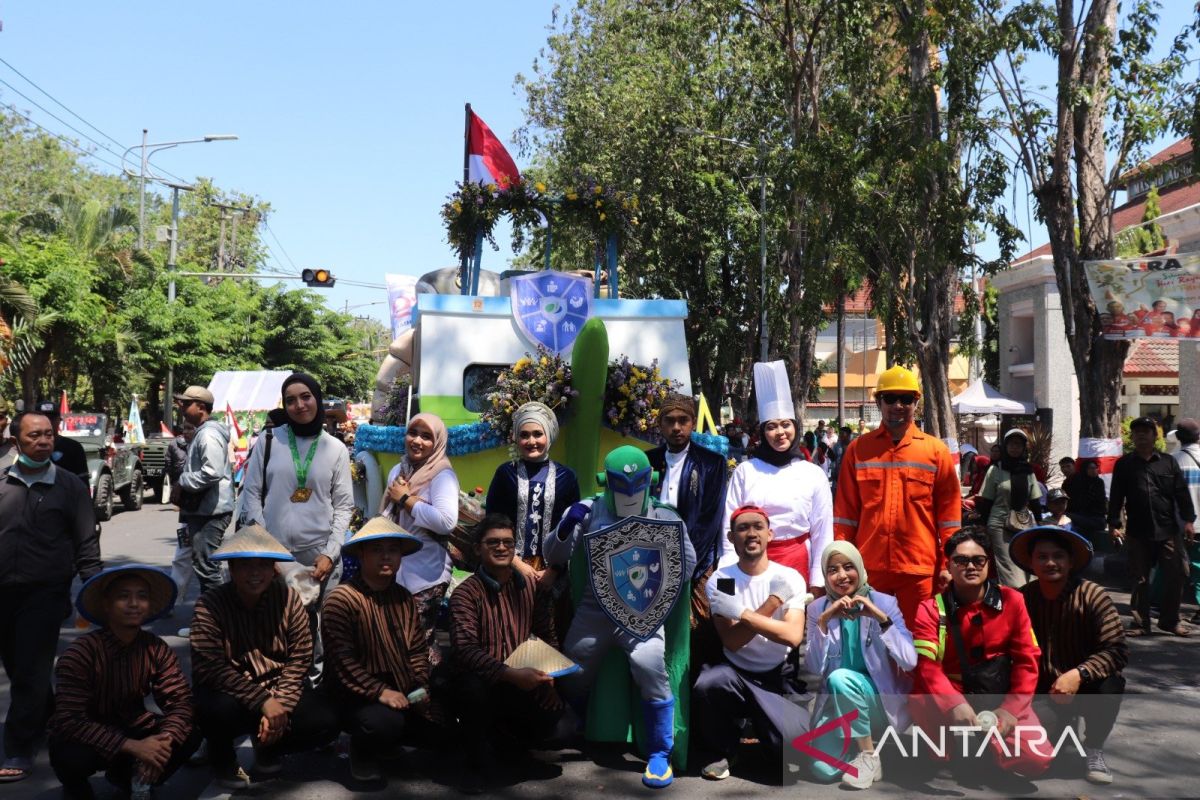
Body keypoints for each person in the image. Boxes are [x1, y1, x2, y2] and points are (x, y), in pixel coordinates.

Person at [545, 445, 696, 788]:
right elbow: (553, 554)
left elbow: (686, 568)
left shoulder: (666, 516)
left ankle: (660, 752)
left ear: (650, 481)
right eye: (620, 484)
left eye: (638, 483)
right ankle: (574, 725)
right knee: (574, 664)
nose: (630, 493)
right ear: (606, 482)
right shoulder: (588, 510)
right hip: (595, 608)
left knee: (649, 665)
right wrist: (568, 524)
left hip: (643, 612)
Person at [190, 525, 339, 788]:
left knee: (328, 718)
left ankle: (268, 746)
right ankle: (222, 757)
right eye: (246, 566)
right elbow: (210, 667)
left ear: (274, 569)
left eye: (263, 565)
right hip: (232, 692)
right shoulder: (210, 604)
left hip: (277, 686)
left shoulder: (289, 599)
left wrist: (279, 705)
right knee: (210, 707)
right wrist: (262, 701)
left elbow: (300, 657)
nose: (255, 573)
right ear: (232, 570)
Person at [0, 411, 101, 782]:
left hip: (44, 592)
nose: (43, 442)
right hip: (2, 592)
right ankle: (53, 715)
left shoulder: (70, 487)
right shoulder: (0, 480)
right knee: (15, 663)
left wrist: (96, 589)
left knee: (30, 667)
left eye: (48, 435)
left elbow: (86, 541)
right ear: (16, 442)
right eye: (34, 436)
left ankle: (18, 748)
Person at [238, 373, 355, 681]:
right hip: (275, 558)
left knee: (319, 632)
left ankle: (314, 695)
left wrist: (330, 554)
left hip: (320, 558)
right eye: (290, 399)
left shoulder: (335, 449)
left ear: (317, 397)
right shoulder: (268, 441)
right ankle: (278, 692)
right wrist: (268, 552)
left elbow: (344, 506)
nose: (299, 405)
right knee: (276, 629)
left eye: (306, 396)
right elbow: (251, 495)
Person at [909, 528, 1051, 782]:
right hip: (951, 697)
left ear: (989, 563)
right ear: (948, 565)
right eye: (961, 560)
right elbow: (927, 667)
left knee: (1037, 759)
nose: (970, 566)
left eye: (978, 560)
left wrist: (1010, 710)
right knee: (920, 695)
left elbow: (1027, 662)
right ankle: (950, 751)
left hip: (997, 694)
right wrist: (954, 704)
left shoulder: (1013, 601)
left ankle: (986, 751)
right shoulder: (930, 609)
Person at [49, 565, 199, 799]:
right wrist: (134, 746)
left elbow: (180, 702)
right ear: (106, 605)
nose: (134, 604)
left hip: (135, 724)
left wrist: (162, 743)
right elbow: (70, 719)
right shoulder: (81, 654)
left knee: (189, 730)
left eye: (142, 596)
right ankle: (75, 786)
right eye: (123, 596)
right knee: (68, 752)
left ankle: (130, 775)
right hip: (90, 733)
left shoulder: (155, 648)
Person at [833, 365, 961, 627]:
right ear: (879, 401)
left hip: (920, 571)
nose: (898, 405)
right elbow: (845, 515)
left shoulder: (935, 452)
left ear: (916, 402)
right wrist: (842, 562)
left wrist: (949, 563)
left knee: (918, 647)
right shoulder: (859, 450)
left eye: (906, 399)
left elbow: (949, 519)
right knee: (871, 647)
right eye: (890, 398)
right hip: (869, 570)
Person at [447, 513, 564, 793]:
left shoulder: (531, 588)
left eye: (508, 543)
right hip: (483, 681)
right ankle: (474, 760)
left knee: (562, 726)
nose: (501, 548)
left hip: (520, 676)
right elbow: (465, 650)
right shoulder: (465, 593)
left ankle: (512, 748)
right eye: (493, 543)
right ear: (478, 548)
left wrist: (551, 677)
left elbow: (546, 634)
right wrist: (509, 674)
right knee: (472, 690)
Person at [321, 516, 443, 782]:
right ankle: (361, 749)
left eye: (393, 550)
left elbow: (418, 650)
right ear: (362, 554)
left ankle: (389, 742)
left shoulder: (403, 597)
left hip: (400, 688)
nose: (386, 556)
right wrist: (380, 691)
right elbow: (343, 661)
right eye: (377, 549)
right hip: (353, 694)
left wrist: (420, 688)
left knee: (444, 730)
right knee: (384, 723)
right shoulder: (341, 599)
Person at [693, 506, 808, 783]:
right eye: (743, 528)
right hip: (736, 673)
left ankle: (766, 730)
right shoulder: (725, 579)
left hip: (778, 676)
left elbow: (792, 636)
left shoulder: (788, 577)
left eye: (758, 526)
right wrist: (772, 604)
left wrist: (743, 614)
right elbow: (732, 642)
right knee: (708, 683)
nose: (751, 533)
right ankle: (725, 749)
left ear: (770, 534)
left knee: (791, 749)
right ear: (731, 538)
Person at [1012, 526, 1127, 785]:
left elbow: (1116, 650)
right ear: (1031, 562)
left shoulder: (1092, 595)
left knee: (1112, 684)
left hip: (1086, 686)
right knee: (1029, 757)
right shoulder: (1022, 598)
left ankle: (1094, 748)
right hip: (1042, 691)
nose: (1050, 562)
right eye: (1042, 557)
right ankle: (1062, 726)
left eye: (1058, 556)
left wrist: (1078, 674)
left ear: (1070, 561)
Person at [805, 541, 917, 788]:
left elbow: (909, 661)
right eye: (833, 570)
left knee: (840, 678)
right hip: (838, 706)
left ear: (859, 567)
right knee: (822, 770)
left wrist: (880, 617)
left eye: (848, 567)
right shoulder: (817, 609)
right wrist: (824, 621)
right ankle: (858, 744)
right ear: (826, 575)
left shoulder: (885, 603)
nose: (842, 576)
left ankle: (867, 755)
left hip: (878, 701)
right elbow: (813, 667)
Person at [721, 361, 832, 589]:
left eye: (785, 425)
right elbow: (728, 529)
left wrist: (818, 583)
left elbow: (822, 531)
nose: (780, 432)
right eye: (771, 426)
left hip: (799, 562)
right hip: (750, 566)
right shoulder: (746, 471)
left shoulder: (813, 474)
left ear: (795, 427)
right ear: (762, 432)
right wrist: (729, 577)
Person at [646, 394, 728, 668]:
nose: (677, 427)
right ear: (660, 425)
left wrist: (681, 565)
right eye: (670, 421)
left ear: (693, 423)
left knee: (699, 630)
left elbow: (708, 520)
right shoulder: (648, 461)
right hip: (651, 560)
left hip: (698, 561)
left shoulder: (711, 463)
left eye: (683, 420)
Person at [379, 412, 459, 667]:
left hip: (427, 572)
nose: (417, 441)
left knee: (418, 640)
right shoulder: (399, 470)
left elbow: (446, 522)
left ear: (437, 443)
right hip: (396, 569)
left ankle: (427, 695)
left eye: (427, 436)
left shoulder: (442, 474)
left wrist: (405, 499)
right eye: (413, 433)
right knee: (395, 640)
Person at [1108, 416, 1196, 636]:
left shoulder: (1168, 462)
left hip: (1167, 529)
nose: (1141, 435)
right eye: (1137, 431)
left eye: (1146, 431)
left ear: (1154, 435)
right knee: (1140, 578)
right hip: (1138, 530)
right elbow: (1116, 496)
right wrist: (1113, 524)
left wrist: (1188, 520)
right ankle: (1140, 623)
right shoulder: (1124, 464)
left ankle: (1169, 621)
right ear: (1133, 436)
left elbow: (1181, 493)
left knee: (1177, 573)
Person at [484, 401, 580, 577]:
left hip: (553, 575)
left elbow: (572, 529)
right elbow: (492, 521)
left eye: (537, 434)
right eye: (524, 435)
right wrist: (517, 564)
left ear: (548, 436)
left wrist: (554, 571)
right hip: (508, 569)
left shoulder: (566, 476)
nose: (531, 441)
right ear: (516, 438)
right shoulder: (506, 473)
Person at [174, 386, 234, 594]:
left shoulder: (208, 434)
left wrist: (183, 481)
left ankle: (218, 619)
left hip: (210, 512)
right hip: (204, 510)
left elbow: (212, 472)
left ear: (201, 407)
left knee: (207, 568)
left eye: (186, 403)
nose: (181, 407)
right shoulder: (204, 432)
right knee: (207, 566)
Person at [976, 428, 1044, 588]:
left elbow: (1035, 499)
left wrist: (1040, 523)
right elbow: (986, 500)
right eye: (1012, 444)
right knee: (1009, 571)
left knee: (1028, 568)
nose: (1015, 448)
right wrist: (982, 524)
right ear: (1005, 447)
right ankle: (1013, 601)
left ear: (1023, 448)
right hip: (999, 525)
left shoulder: (1028, 471)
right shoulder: (995, 469)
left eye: (1019, 445)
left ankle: (1026, 602)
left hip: (1024, 525)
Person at [1171, 418, 1200, 624]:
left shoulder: (1172, 461)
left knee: (1178, 567)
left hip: (1181, 524)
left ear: (1178, 438)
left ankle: (1167, 608)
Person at [165, 423, 196, 603]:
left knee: (209, 563)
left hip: (205, 515)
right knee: (182, 557)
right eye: (184, 428)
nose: (186, 432)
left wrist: (182, 481)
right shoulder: (177, 445)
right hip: (188, 512)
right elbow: (170, 464)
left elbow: (209, 475)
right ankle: (172, 600)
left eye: (190, 428)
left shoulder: (206, 445)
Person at [34, 399, 89, 482]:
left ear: (59, 420)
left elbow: (83, 483)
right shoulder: (28, 447)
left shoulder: (74, 448)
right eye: (43, 418)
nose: (48, 422)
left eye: (52, 418)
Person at [1064, 459, 1108, 544]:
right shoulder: (1078, 483)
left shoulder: (1099, 482)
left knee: (1067, 516)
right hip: (1083, 517)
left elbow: (1098, 503)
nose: (1094, 470)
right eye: (1090, 468)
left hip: (1097, 519)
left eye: (1095, 468)